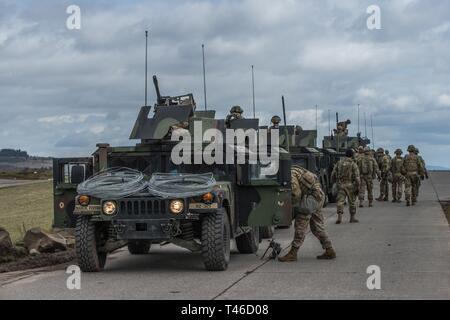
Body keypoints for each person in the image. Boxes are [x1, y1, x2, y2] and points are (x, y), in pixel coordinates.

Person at [278, 166, 336, 262]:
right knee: (317, 226)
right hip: (318, 197)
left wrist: (290, 205)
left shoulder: (290, 174)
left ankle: (293, 253)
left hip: (311, 198)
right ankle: (329, 249)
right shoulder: (295, 169)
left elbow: (296, 194)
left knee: (300, 225)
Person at [331, 149, 360, 224]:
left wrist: (333, 182)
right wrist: (358, 185)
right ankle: (352, 218)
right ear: (352, 155)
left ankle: (339, 217)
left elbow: (333, 173)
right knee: (352, 202)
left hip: (341, 185)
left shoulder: (339, 163)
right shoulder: (353, 164)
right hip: (350, 185)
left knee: (340, 201)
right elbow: (357, 177)